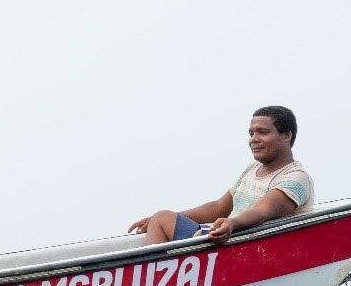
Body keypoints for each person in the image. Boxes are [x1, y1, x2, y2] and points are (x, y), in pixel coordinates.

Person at [129, 105, 314, 245]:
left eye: (263, 132)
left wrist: (231, 224)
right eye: (251, 133)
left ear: (286, 135)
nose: (253, 139)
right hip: (222, 236)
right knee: (162, 218)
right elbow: (219, 208)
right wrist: (161, 218)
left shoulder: (296, 176)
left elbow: (262, 211)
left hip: (246, 243)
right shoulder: (252, 168)